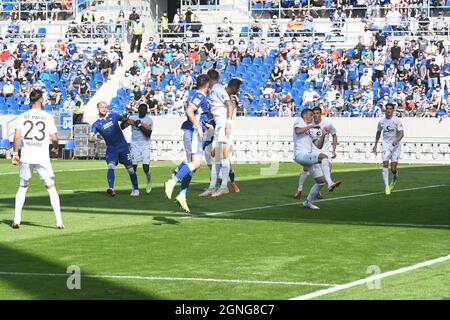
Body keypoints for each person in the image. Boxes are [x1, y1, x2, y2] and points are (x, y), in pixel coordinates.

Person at [11, 89, 63, 229]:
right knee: (51, 187)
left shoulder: (23, 116)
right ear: (40, 100)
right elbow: (54, 138)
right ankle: (58, 221)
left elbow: (16, 137)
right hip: (42, 157)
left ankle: (16, 219)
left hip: (27, 157)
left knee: (22, 187)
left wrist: (15, 154)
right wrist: (55, 149)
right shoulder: (47, 117)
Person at [164, 74, 210, 213]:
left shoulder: (199, 96)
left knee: (193, 166)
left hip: (194, 131)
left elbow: (198, 114)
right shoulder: (200, 96)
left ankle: (182, 195)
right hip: (194, 132)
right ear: (207, 84)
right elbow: (189, 110)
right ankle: (173, 180)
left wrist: (206, 126)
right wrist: (198, 127)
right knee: (195, 164)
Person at [199, 70, 241, 197]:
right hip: (219, 125)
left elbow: (230, 105)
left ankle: (224, 186)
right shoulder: (213, 90)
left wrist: (228, 122)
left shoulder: (217, 89)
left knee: (222, 155)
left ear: (210, 79)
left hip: (224, 124)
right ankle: (212, 187)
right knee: (214, 156)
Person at [293, 109, 341, 210]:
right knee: (324, 157)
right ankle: (330, 182)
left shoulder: (311, 130)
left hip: (309, 155)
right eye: (311, 115)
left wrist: (323, 135)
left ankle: (308, 202)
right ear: (305, 115)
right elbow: (298, 131)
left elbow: (318, 145)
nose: (312, 117)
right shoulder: (299, 120)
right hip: (301, 154)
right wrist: (311, 126)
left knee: (320, 181)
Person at [89, 101, 140, 197]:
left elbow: (126, 120)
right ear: (98, 109)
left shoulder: (113, 116)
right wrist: (96, 139)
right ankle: (111, 188)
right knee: (111, 166)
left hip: (123, 147)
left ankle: (136, 189)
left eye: (105, 107)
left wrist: (136, 123)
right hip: (111, 149)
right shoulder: (96, 124)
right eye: (102, 107)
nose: (104, 109)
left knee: (130, 169)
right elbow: (90, 138)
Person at [372, 102, 405, 195]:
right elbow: (378, 132)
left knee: (393, 168)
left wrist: (397, 140)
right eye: (387, 109)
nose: (389, 110)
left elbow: (402, 134)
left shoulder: (397, 121)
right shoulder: (381, 121)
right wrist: (375, 144)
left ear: (393, 110)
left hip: (395, 146)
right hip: (385, 145)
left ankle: (394, 176)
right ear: (385, 110)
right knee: (385, 163)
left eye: (390, 109)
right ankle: (387, 186)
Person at [121, 103, 153, 194]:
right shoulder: (133, 118)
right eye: (141, 109)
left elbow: (148, 134)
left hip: (145, 145)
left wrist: (139, 126)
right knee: (133, 167)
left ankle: (149, 181)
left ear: (147, 111)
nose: (143, 111)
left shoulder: (149, 120)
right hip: (134, 144)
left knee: (145, 168)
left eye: (144, 109)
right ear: (138, 110)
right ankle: (134, 187)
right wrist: (124, 120)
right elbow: (122, 127)